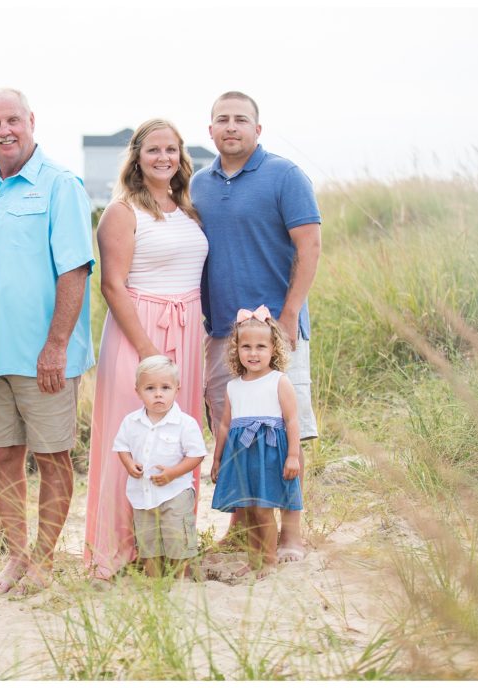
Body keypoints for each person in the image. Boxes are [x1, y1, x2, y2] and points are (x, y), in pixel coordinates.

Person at [0, 88, 94, 594]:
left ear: (31, 121)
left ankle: (43, 558)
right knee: (4, 458)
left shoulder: (62, 185)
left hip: (45, 358)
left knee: (54, 456)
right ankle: (17, 557)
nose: (3, 131)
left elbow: (75, 269)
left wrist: (56, 344)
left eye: (12, 120)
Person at [191, 91, 321, 563]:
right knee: (239, 429)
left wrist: (288, 316)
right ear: (210, 131)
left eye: (241, 120)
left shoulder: (285, 176)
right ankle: (243, 528)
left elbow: (310, 247)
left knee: (285, 431)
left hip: (276, 332)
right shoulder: (199, 185)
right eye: (222, 120)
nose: (231, 127)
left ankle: (291, 533)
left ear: (257, 129)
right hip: (223, 331)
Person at [83, 118, 208, 580]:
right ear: (136, 157)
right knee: (130, 436)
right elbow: (113, 286)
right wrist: (149, 351)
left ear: (182, 156)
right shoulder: (121, 211)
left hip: (188, 328)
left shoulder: (189, 208)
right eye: (153, 150)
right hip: (138, 330)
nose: (163, 158)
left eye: (171, 149)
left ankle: (174, 550)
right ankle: (117, 551)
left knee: (178, 437)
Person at [210, 307, 302, 579]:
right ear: (236, 349)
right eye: (246, 346)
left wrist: (293, 455)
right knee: (247, 513)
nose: (253, 353)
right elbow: (225, 424)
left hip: (269, 453)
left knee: (263, 511)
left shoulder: (279, 381)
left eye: (261, 346)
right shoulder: (233, 386)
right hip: (240, 456)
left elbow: (293, 421)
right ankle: (253, 560)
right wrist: (217, 459)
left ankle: (269, 560)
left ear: (273, 349)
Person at [113, 356, 206, 578]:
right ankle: (154, 580)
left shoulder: (185, 423)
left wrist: (173, 473)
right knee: (148, 540)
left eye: (165, 388)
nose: (158, 394)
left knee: (177, 538)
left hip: (175, 493)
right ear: (138, 392)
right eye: (150, 388)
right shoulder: (131, 422)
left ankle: (180, 578)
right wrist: (129, 464)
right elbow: (121, 447)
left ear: (176, 389)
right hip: (142, 495)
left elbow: (196, 455)